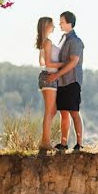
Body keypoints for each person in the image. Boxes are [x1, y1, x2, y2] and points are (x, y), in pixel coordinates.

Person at [46, 11, 84, 152]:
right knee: (63, 113)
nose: (60, 24)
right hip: (62, 81)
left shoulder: (75, 41)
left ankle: (79, 144)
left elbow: (73, 62)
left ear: (69, 23)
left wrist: (56, 75)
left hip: (72, 80)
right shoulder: (63, 39)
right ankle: (64, 143)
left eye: (62, 21)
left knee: (74, 112)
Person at [35, 16, 63, 152]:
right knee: (49, 111)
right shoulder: (47, 42)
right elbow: (47, 63)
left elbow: (41, 62)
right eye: (52, 25)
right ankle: (45, 143)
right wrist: (64, 64)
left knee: (52, 110)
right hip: (49, 78)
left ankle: (45, 141)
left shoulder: (44, 42)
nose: (55, 27)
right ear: (47, 26)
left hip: (47, 77)